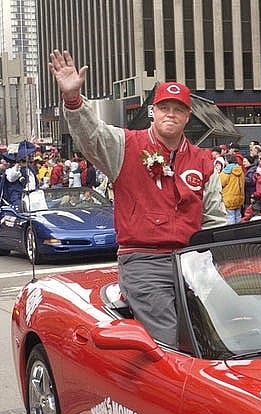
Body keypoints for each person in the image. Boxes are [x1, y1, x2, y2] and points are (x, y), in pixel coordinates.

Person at [48, 49, 227, 347]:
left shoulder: (203, 159)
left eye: (178, 109)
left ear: (187, 117)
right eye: (164, 107)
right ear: (151, 112)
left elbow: (214, 219)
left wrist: (210, 263)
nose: (171, 113)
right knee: (166, 339)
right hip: (144, 260)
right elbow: (90, 135)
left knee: (211, 336)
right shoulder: (125, 145)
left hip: (193, 261)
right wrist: (74, 101)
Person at [220, 153, 245, 224]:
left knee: (230, 216)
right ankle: (239, 231)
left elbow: (220, 183)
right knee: (238, 215)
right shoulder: (240, 170)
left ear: (227, 161)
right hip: (240, 198)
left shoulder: (226, 172)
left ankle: (232, 233)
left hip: (229, 198)